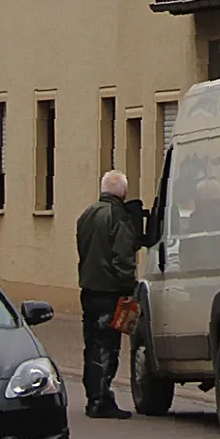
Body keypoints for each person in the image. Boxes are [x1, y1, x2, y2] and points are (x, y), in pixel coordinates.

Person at [75, 169, 142, 417]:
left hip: (89, 288)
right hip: (109, 290)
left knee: (91, 344)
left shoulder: (87, 214)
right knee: (106, 346)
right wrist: (128, 288)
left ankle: (93, 394)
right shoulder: (118, 216)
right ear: (123, 192)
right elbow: (122, 256)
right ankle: (101, 399)